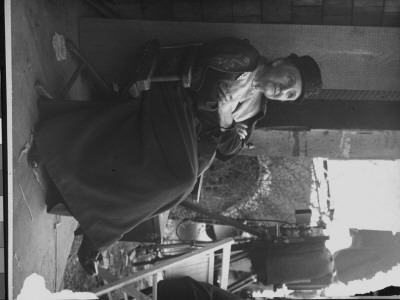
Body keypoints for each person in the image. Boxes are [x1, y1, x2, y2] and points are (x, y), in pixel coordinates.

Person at [29, 37, 322, 276]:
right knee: (180, 179)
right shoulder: (245, 58)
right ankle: (96, 232)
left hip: (190, 137)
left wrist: (224, 120)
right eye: (288, 79)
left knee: (172, 193)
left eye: (288, 95)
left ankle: (88, 214)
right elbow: (204, 86)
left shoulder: (257, 109)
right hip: (172, 100)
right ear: (282, 63)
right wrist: (222, 123)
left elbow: (228, 151)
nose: (282, 90)